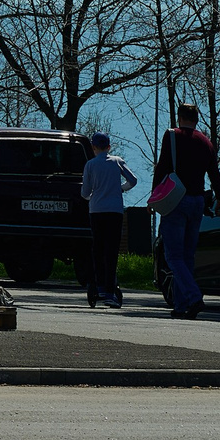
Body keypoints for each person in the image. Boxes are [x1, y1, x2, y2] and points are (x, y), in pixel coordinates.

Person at [153, 102, 219, 319]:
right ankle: (181, 306)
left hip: (176, 199)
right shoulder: (205, 141)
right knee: (188, 256)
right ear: (197, 118)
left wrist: (153, 197)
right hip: (198, 200)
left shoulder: (172, 135)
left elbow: (162, 166)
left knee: (173, 256)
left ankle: (193, 297)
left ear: (180, 116)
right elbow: (214, 174)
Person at [79, 132, 137, 309]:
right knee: (112, 250)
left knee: (98, 248)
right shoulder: (117, 161)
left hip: (96, 210)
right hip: (115, 211)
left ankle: (100, 285)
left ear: (94, 147)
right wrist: (120, 189)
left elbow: (85, 193)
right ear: (109, 147)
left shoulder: (90, 165)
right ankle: (111, 291)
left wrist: (92, 197)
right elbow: (133, 180)